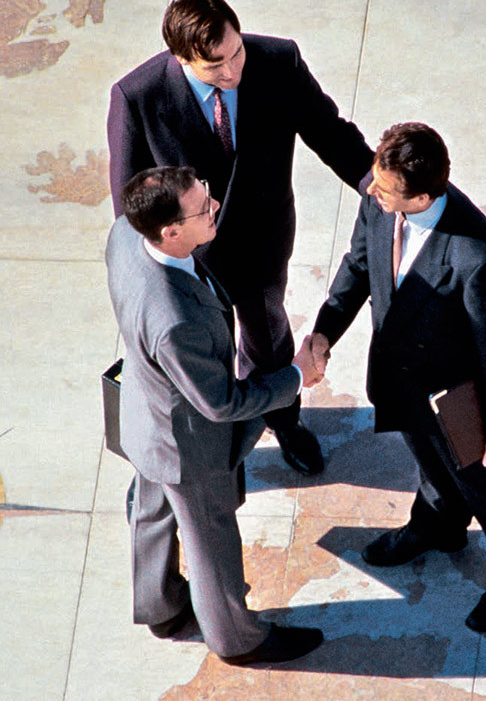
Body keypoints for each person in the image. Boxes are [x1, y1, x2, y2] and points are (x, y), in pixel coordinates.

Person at [107, 0, 374, 476]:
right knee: (201, 360)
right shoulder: (138, 97)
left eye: (236, 53)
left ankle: (283, 420)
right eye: (215, 66)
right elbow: (130, 206)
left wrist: (376, 185)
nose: (232, 72)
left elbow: (329, 131)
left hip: (262, 243)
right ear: (181, 58)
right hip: (189, 261)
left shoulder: (278, 61)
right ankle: (210, 449)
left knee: (268, 340)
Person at [309, 123, 486, 632]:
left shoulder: (474, 256)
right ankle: (440, 524)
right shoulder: (379, 196)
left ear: (422, 197)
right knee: (429, 462)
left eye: (385, 188)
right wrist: (324, 332)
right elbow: (359, 265)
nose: (371, 191)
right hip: (404, 380)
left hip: (460, 398)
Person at [106, 166, 325, 665]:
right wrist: (295, 377)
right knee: (211, 542)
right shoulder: (173, 320)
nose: (215, 207)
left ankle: (160, 608)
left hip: (146, 417)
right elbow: (222, 403)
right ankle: (236, 639)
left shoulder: (125, 234)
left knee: (152, 514)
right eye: (203, 207)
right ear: (171, 231)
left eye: (206, 193)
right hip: (187, 445)